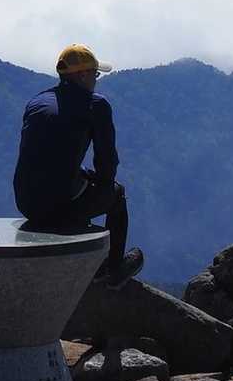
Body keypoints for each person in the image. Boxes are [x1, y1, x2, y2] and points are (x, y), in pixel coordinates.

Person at [12, 43, 144, 288]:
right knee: (116, 194)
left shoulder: (37, 102)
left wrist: (84, 176)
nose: (96, 80)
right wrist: (102, 185)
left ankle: (79, 242)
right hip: (58, 206)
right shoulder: (95, 105)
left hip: (25, 203)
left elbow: (45, 158)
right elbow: (107, 162)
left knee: (77, 186)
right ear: (82, 75)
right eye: (95, 74)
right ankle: (113, 270)